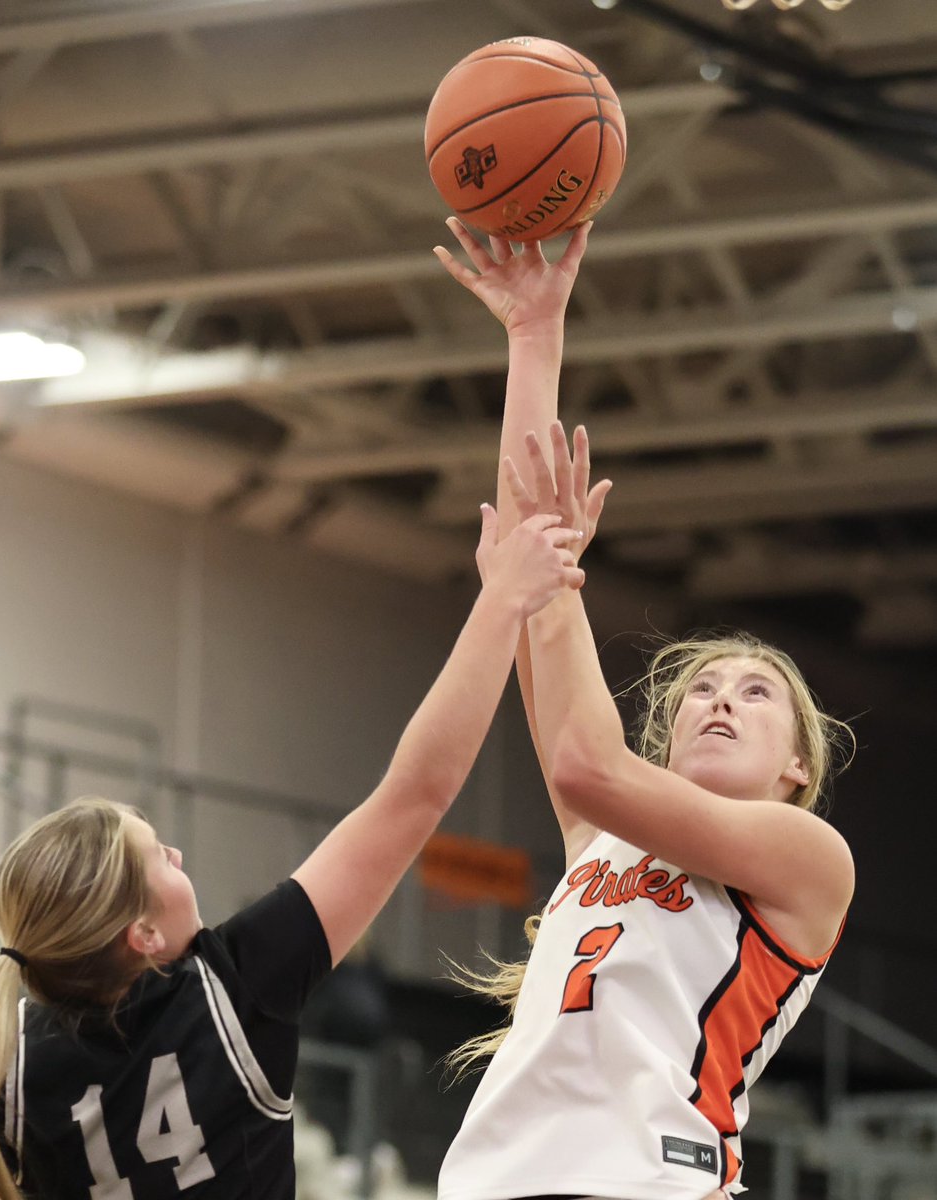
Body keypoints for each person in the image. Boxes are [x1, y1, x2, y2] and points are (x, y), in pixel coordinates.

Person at [0, 506, 585, 1200]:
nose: (180, 854)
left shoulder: (9, 1070)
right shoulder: (228, 989)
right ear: (144, 934)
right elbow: (415, 795)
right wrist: (501, 603)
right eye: (160, 856)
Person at [432, 218, 856, 1200]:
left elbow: (587, 761)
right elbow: (526, 571)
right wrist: (533, 338)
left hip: (653, 1183)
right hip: (493, 1182)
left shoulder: (804, 860)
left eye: (756, 696)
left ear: (797, 768)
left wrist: (561, 572)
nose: (720, 700)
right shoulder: (603, 839)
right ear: (667, 739)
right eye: (703, 689)